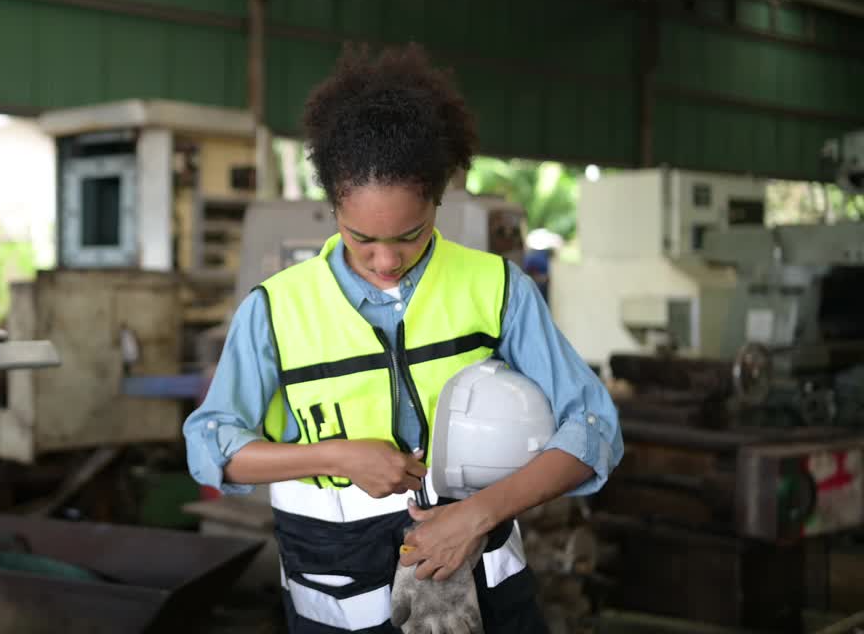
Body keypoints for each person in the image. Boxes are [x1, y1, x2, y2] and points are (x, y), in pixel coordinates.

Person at [182, 43, 623, 634]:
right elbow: (211, 449)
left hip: (487, 603)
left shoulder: (498, 290)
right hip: (338, 609)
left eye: (410, 236)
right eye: (361, 237)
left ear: (439, 200)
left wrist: (478, 514)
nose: (385, 260)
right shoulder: (275, 311)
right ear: (332, 205)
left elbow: (594, 427)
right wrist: (336, 455)